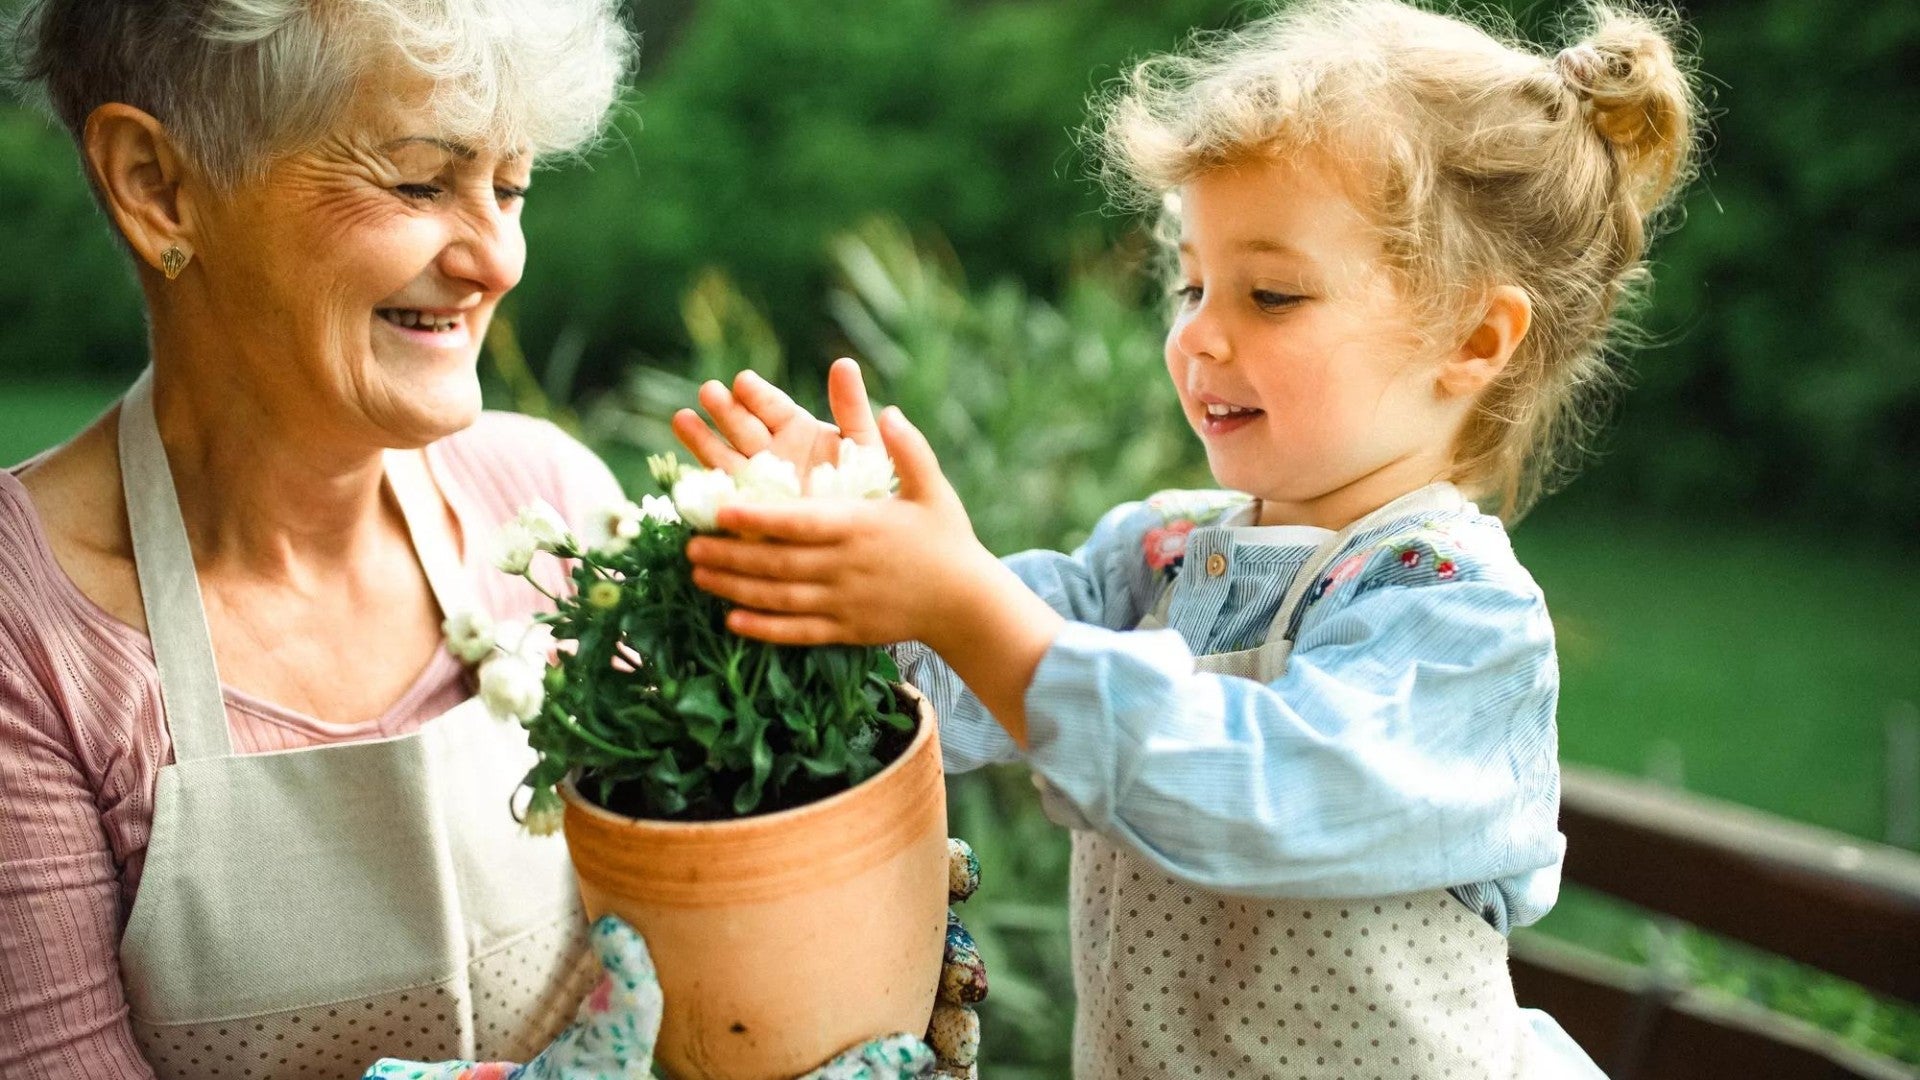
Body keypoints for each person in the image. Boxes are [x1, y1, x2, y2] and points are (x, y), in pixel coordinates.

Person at [672, 1, 1703, 1076]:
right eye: (1191, 282)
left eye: (1271, 293)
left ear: (1471, 339)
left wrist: (970, 606)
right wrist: (852, 550)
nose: (1201, 332)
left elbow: (1261, 797)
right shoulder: (1154, 557)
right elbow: (958, 678)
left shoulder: (1457, 621)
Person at [0, 2, 978, 1077]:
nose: (499, 258)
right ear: (158, 184)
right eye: (420, 181)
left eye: (509, 187)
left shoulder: (544, 497)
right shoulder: (27, 626)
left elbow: (707, 968)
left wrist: (845, 844)